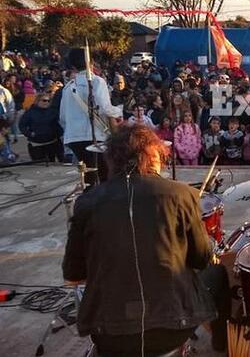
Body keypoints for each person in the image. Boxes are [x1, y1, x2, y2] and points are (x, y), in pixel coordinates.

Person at [62, 124, 217, 356]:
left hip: (109, 332)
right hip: (175, 325)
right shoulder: (182, 194)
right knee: (220, 274)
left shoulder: (87, 202)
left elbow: (73, 274)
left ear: (112, 160)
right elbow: (201, 258)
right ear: (152, 155)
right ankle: (223, 342)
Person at [59, 48, 122, 188]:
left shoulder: (68, 88)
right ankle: (103, 205)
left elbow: (62, 117)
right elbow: (106, 108)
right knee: (105, 175)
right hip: (95, 136)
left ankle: (89, 202)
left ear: (73, 67)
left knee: (88, 178)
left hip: (74, 138)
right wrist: (119, 111)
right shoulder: (97, 82)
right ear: (91, 63)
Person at [18, 93, 63, 162]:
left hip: (51, 143)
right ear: (38, 101)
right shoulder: (30, 112)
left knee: (51, 163)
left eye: (48, 101)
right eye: (44, 100)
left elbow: (58, 124)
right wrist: (29, 134)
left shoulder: (52, 112)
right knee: (39, 165)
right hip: (36, 144)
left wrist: (59, 134)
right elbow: (22, 125)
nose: (46, 103)